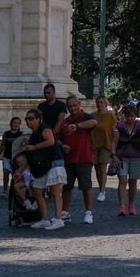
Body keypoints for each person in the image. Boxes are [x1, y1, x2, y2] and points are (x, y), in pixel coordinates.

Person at [58, 95, 98, 225]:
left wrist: (77, 126)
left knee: (86, 186)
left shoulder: (86, 117)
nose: (73, 108)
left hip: (84, 157)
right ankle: (65, 212)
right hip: (69, 159)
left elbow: (94, 123)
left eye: (75, 105)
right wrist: (62, 146)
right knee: (67, 187)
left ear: (79, 104)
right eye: (70, 106)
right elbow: (59, 139)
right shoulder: (65, 121)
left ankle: (89, 212)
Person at [23, 108, 65, 230]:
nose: (28, 121)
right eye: (26, 119)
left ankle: (58, 219)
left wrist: (34, 147)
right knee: (36, 190)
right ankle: (45, 219)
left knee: (55, 191)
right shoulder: (33, 135)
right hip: (43, 165)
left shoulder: (44, 128)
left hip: (53, 161)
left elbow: (51, 141)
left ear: (38, 119)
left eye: (31, 118)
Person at [113, 103, 140, 216]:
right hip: (122, 156)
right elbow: (114, 141)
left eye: (132, 116)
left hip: (136, 156)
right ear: (125, 116)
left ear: (135, 116)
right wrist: (113, 155)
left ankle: (131, 205)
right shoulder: (120, 126)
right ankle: (122, 206)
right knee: (122, 180)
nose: (130, 118)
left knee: (133, 182)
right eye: (128, 116)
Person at [92, 94, 117, 199]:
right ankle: (101, 188)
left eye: (101, 102)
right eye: (98, 102)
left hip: (106, 144)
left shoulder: (110, 115)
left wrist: (113, 146)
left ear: (105, 104)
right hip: (94, 144)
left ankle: (102, 191)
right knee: (97, 169)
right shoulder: (93, 115)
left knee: (103, 168)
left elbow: (114, 130)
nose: (99, 104)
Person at [0, 116, 23, 193]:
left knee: (15, 174)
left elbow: (22, 147)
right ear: (10, 124)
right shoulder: (6, 134)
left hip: (16, 158)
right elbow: (3, 145)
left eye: (18, 123)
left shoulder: (21, 134)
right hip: (6, 156)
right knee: (5, 172)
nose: (16, 125)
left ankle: (15, 189)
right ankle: (5, 189)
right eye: (14, 123)